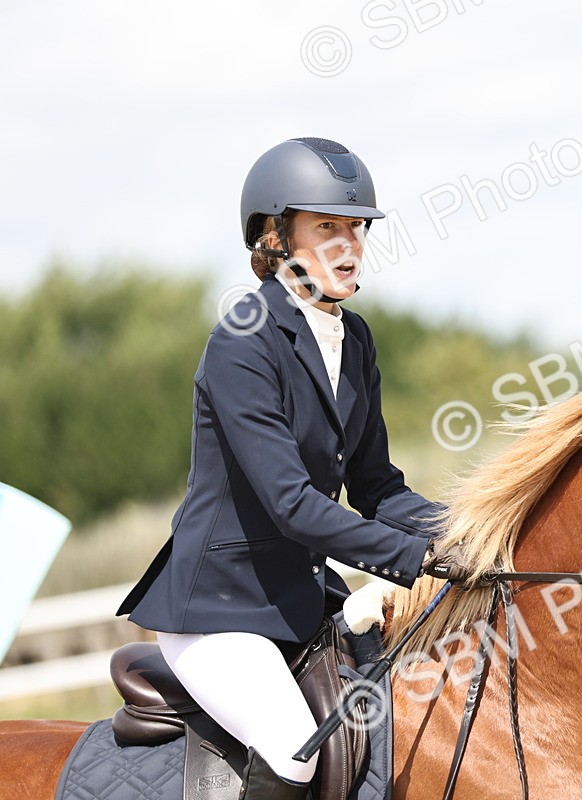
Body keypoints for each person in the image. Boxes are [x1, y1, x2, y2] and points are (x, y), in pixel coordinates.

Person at [118, 137, 459, 799]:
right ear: (275, 237)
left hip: (301, 600)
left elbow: (375, 485)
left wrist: (462, 532)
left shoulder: (353, 338)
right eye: (326, 227)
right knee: (293, 750)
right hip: (218, 610)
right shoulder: (242, 340)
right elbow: (293, 505)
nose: (349, 244)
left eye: (356, 228)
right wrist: (418, 558)